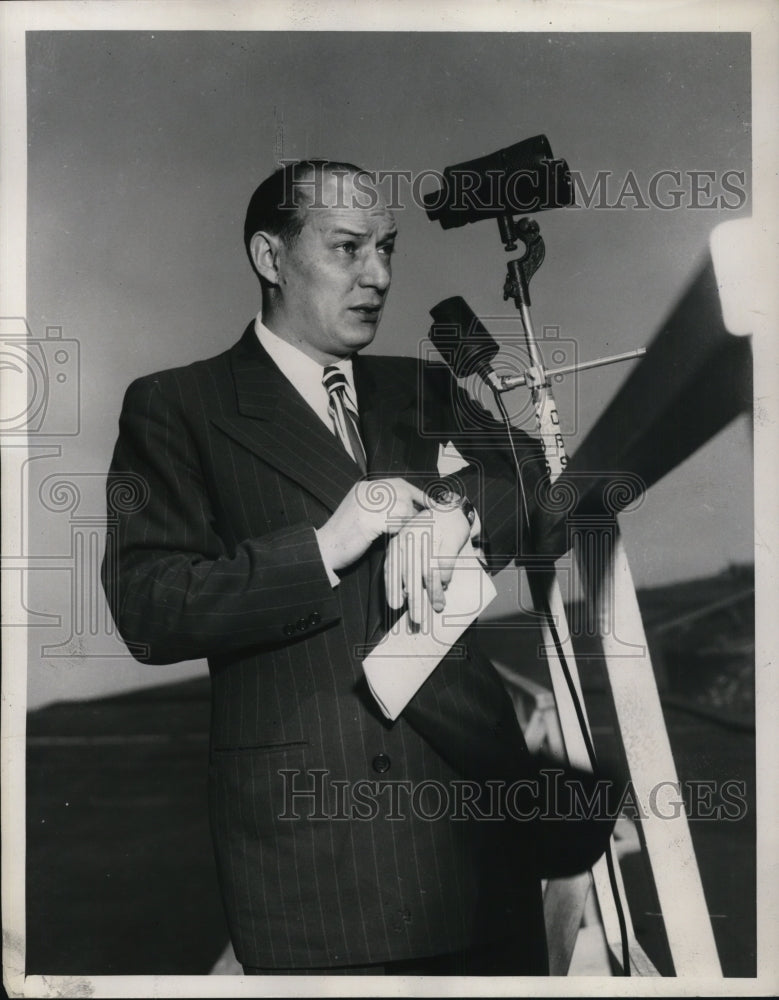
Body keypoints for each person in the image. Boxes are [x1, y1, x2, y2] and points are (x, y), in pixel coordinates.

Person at [102, 159, 613, 976]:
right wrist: (325, 544)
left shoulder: (417, 385)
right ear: (270, 257)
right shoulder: (177, 405)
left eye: (387, 249)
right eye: (347, 248)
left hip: (474, 840)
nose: (377, 275)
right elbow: (149, 606)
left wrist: (456, 512)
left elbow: (539, 477)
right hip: (317, 870)